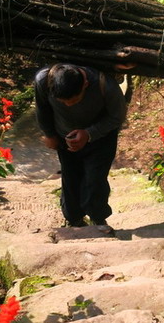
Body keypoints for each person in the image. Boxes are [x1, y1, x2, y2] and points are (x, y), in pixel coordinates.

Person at [34, 63, 127, 234]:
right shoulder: (43, 81)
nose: (68, 105)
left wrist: (89, 133)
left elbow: (117, 116)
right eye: (63, 102)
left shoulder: (104, 84)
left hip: (101, 138)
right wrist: (49, 134)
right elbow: (42, 109)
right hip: (65, 138)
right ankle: (74, 220)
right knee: (70, 177)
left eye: (74, 100)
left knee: (95, 178)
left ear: (85, 84)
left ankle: (98, 218)